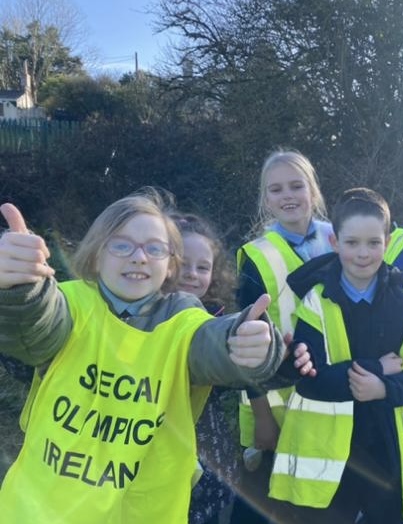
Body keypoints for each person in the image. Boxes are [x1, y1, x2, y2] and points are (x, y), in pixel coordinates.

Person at [0, 190, 314, 523]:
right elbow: (34, 325)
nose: (139, 257)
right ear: (96, 255)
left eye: (154, 249)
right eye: (122, 245)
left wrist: (248, 343)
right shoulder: (70, 303)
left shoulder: (183, 319)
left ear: (169, 267)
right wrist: (20, 287)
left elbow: (213, 344)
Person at [269, 187, 403, 523]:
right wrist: (377, 369)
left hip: (385, 447)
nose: (363, 253)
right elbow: (310, 380)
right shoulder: (315, 302)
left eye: (373, 243)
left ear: (388, 242)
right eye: (352, 243)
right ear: (335, 242)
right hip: (327, 454)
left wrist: (384, 388)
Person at [235, 150, 334, 482]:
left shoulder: (341, 240)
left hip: (334, 391)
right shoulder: (256, 256)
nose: (287, 195)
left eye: (296, 186)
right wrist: (262, 417)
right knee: (273, 494)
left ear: (313, 191)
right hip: (280, 401)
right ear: (266, 200)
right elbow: (245, 345)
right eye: (276, 189)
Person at [167, 212, 240, 524]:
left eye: (203, 267)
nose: (192, 275)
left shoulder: (216, 321)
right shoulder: (136, 316)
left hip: (207, 454)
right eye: (184, 264)